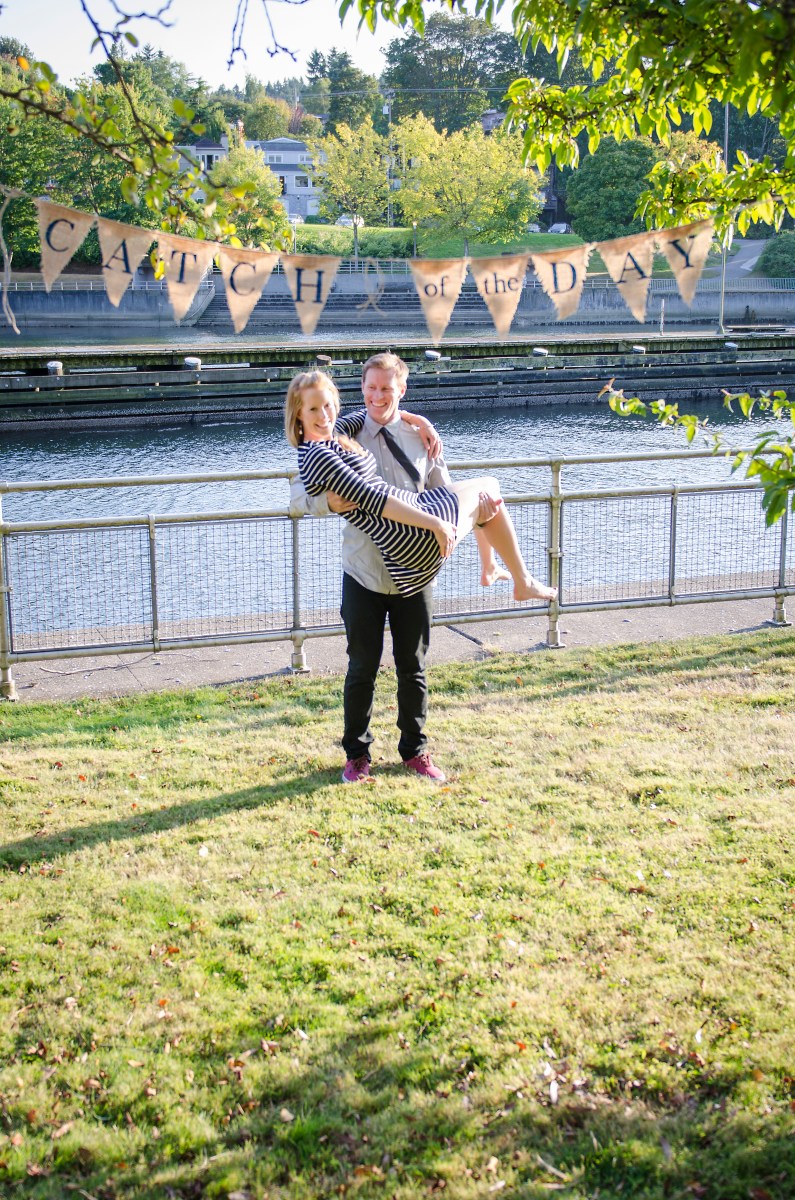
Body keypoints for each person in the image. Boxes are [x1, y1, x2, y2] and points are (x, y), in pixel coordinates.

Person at [287, 352, 556, 785]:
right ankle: (357, 755)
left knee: (413, 666)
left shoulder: (418, 437)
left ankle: (415, 752)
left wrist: (419, 422)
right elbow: (299, 497)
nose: (377, 396)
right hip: (365, 571)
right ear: (361, 389)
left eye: (386, 389)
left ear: (402, 390)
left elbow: (442, 491)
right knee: (361, 668)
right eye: (370, 388)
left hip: (414, 568)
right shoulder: (340, 433)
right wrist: (327, 502)